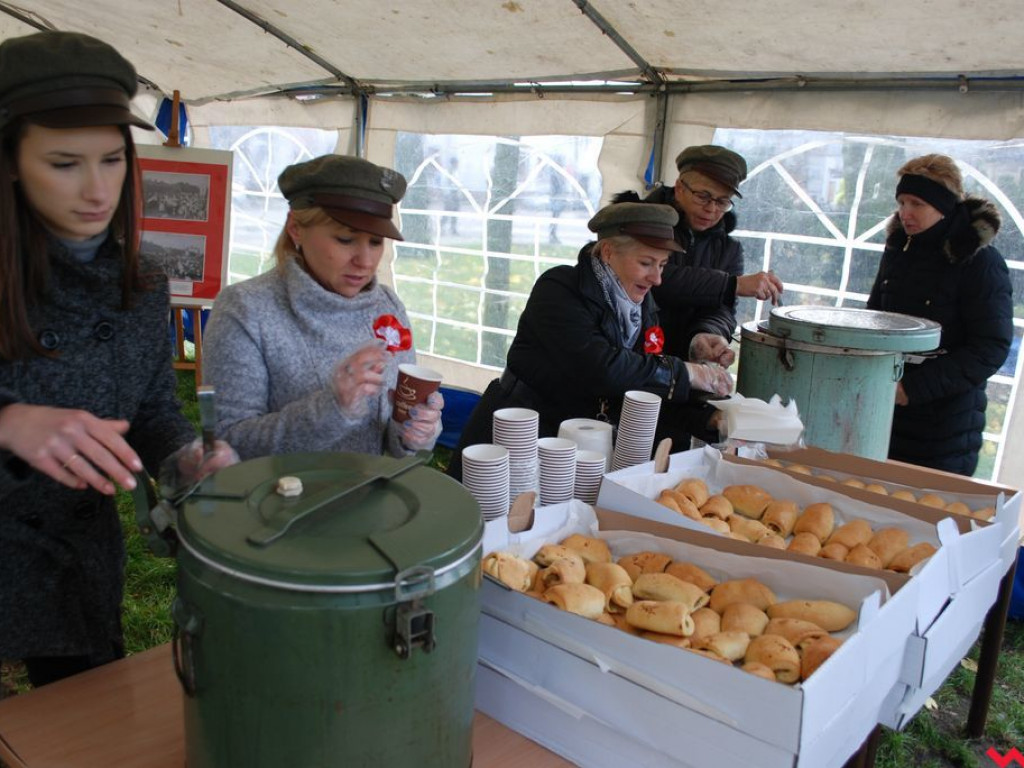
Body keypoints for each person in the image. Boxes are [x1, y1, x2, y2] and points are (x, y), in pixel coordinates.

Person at [0, 31, 236, 687]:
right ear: (12, 160)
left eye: (112, 160)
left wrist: (187, 455)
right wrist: (9, 420)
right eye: (65, 163)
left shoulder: (141, 280)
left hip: (76, 562)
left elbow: (154, 404)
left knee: (78, 726)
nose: (97, 190)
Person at [448, 202, 733, 480]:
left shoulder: (642, 308)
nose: (657, 278)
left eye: (662, 265)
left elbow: (642, 381)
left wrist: (706, 418)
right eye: (646, 263)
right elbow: (600, 367)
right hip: (522, 435)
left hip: (584, 444)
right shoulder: (559, 289)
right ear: (608, 252)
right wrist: (686, 373)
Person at [203, 154, 444, 460]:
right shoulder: (245, 309)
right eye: (345, 239)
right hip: (281, 504)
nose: (366, 261)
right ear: (295, 228)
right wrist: (332, 409)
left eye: (375, 242)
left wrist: (413, 432)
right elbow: (228, 442)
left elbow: (395, 446)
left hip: (374, 499)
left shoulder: (388, 306)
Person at [867, 153, 1012, 476]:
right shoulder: (898, 249)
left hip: (944, 427)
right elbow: (873, 319)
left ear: (944, 205)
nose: (905, 213)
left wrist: (913, 388)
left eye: (917, 203)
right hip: (885, 410)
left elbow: (990, 347)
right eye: (901, 202)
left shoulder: (979, 261)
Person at [613, 145, 784, 365]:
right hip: (630, 357)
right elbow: (657, 281)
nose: (711, 209)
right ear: (679, 188)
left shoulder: (729, 249)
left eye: (722, 201)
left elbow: (723, 309)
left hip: (686, 368)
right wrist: (730, 285)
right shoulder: (641, 225)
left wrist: (706, 333)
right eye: (703, 196)